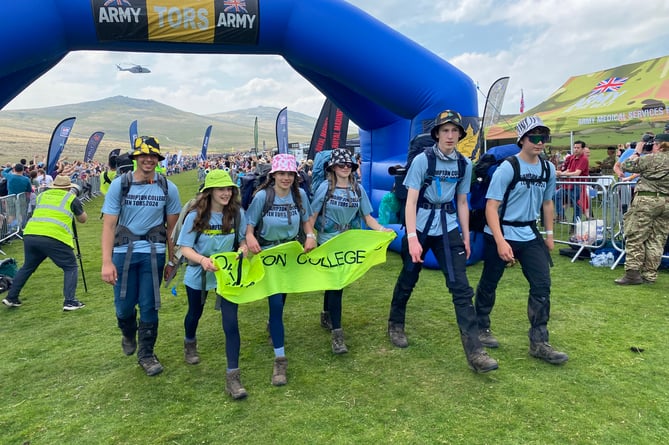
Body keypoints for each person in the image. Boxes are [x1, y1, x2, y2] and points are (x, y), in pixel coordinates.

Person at [387, 110, 498, 373]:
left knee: (461, 287)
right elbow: (411, 201)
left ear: (460, 134)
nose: (450, 135)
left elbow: (462, 201)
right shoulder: (423, 161)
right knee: (409, 275)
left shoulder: (464, 164)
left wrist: (466, 236)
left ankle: (475, 353)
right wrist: (412, 238)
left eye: (454, 131)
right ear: (437, 133)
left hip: (447, 226)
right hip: (421, 225)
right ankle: (395, 323)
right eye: (445, 130)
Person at [474, 116, 568, 365]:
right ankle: (480, 327)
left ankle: (539, 343)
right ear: (522, 140)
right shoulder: (508, 167)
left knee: (542, 285)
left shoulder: (548, 169)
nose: (539, 142)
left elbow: (548, 203)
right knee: (490, 281)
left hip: (529, 233)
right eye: (534, 137)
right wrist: (501, 241)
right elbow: (491, 207)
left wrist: (549, 236)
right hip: (500, 232)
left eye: (543, 137)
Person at [101, 136, 181, 376]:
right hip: (123, 253)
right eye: (144, 155)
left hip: (153, 254)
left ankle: (146, 354)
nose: (148, 159)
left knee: (149, 305)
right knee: (124, 307)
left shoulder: (168, 187)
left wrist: (172, 260)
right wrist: (106, 262)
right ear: (136, 158)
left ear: (158, 159)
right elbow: (108, 226)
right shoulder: (121, 185)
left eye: (153, 156)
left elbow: (173, 231)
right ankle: (127, 331)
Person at [309, 148, 392, 354]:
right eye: (341, 164)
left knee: (338, 283)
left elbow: (367, 217)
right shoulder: (324, 187)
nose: (345, 167)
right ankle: (337, 335)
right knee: (337, 283)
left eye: (348, 164)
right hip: (328, 241)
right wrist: (310, 237)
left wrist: (383, 230)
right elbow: (312, 217)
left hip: (347, 242)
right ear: (333, 167)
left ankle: (326, 314)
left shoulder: (357, 189)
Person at [176, 169, 250, 399]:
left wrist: (243, 248)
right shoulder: (195, 215)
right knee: (194, 314)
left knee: (231, 323)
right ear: (209, 191)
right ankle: (190, 342)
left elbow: (243, 239)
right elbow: (184, 248)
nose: (226, 193)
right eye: (221, 189)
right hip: (199, 273)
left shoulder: (237, 213)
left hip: (226, 276)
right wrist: (202, 260)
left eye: (229, 188)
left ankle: (233, 377)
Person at [245, 153, 316, 386]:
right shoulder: (262, 197)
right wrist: (249, 239)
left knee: (282, 298)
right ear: (273, 175)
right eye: (282, 173)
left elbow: (306, 219)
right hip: (268, 255)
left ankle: (272, 326)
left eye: (290, 174)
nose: (286, 178)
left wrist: (309, 235)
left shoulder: (300, 195)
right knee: (276, 304)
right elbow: (249, 226)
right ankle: (280, 360)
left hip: (290, 254)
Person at [2, 175, 88, 310]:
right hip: (53, 236)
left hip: (31, 233)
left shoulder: (42, 195)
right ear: (68, 187)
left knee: (27, 266)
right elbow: (83, 219)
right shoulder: (71, 198)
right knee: (70, 266)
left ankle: (11, 297)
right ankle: (70, 301)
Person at [614, 133, 669, 285]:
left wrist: (637, 152)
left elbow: (626, 166)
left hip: (646, 200)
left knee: (636, 236)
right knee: (657, 239)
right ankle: (650, 275)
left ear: (657, 145)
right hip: (666, 202)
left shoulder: (649, 159)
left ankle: (632, 274)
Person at [555, 140, 589, 222]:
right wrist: (561, 173)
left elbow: (577, 173)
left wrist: (563, 174)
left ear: (582, 149)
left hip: (578, 186)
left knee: (577, 205)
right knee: (556, 195)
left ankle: (575, 224)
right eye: (574, 147)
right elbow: (569, 170)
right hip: (568, 185)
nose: (576, 149)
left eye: (578, 148)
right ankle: (561, 215)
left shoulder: (584, 159)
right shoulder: (572, 158)